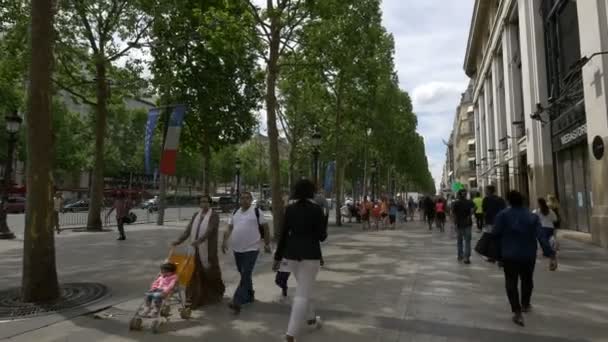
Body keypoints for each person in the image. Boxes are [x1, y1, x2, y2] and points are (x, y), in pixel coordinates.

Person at [493, 190, 557, 327]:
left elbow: (495, 235)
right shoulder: (532, 216)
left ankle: (517, 312)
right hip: (528, 255)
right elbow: (541, 237)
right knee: (527, 280)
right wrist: (551, 255)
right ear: (523, 201)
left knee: (511, 282)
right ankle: (526, 304)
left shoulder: (502, 215)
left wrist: (498, 256)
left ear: (508, 201)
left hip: (509, 255)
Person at [273, 179, 327, 342]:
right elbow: (322, 237)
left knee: (304, 287)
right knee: (302, 294)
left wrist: (277, 257)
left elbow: (283, 235)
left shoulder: (289, 209)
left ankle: (311, 320)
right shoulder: (317, 210)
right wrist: (323, 221)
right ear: (311, 191)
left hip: (291, 255)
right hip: (310, 255)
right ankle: (291, 334)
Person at [222, 192, 271, 314]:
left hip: (252, 248)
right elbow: (229, 227)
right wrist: (224, 241)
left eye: (247, 198)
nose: (244, 200)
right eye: (242, 198)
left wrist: (267, 243)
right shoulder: (235, 212)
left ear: (250, 200)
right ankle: (249, 295)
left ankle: (237, 301)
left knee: (245, 273)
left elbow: (265, 227)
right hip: (237, 249)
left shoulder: (256, 211)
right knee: (244, 273)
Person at [171, 195, 225, 308]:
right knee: (194, 275)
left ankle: (214, 294)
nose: (203, 204)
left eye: (206, 202)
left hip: (208, 251)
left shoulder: (214, 216)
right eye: (201, 202)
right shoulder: (196, 215)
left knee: (210, 273)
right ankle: (193, 298)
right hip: (194, 251)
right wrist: (178, 241)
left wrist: (199, 241)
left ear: (210, 203)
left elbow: (210, 231)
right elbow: (188, 231)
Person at [451, 190, 475, 264]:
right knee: (467, 241)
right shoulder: (470, 202)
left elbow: (453, 213)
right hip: (468, 223)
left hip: (459, 224)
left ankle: (460, 255)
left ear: (458, 195)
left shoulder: (456, 203)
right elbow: (475, 208)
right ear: (465, 195)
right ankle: (466, 258)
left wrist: (454, 223)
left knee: (460, 241)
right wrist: (470, 215)